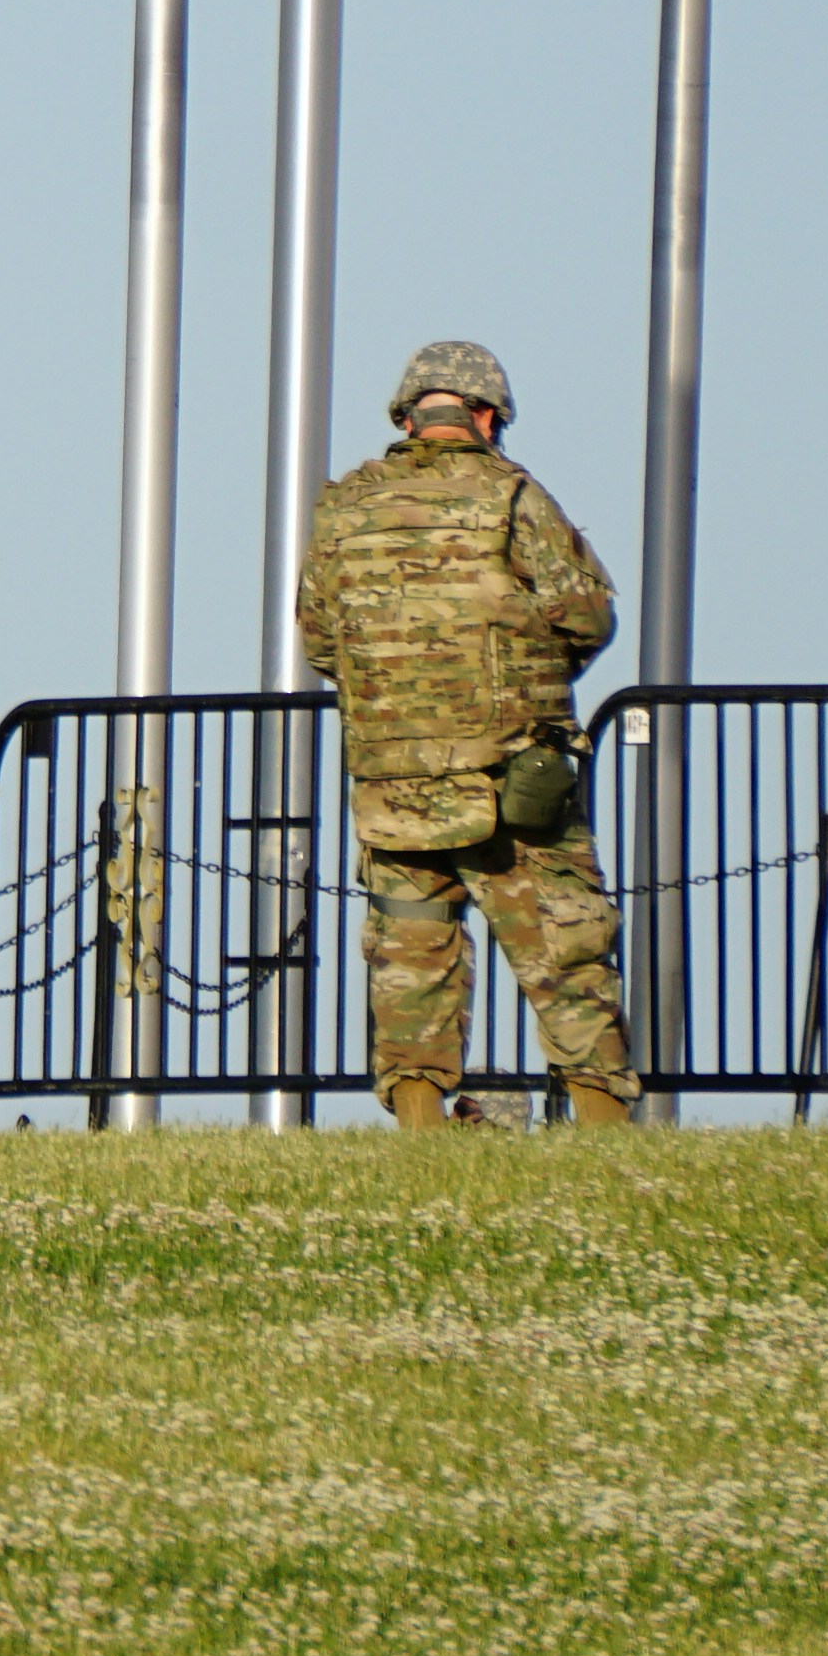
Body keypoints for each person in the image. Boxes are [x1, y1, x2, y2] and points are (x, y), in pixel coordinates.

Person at [294, 343, 638, 1131]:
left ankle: (420, 1121)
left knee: (409, 960)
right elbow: (587, 614)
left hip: (392, 782)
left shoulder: (344, 506)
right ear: (486, 417)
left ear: (408, 416)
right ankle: (601, 1121)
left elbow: (319, 639)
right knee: (565, 949)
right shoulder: (511, 494)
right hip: (510, 775)